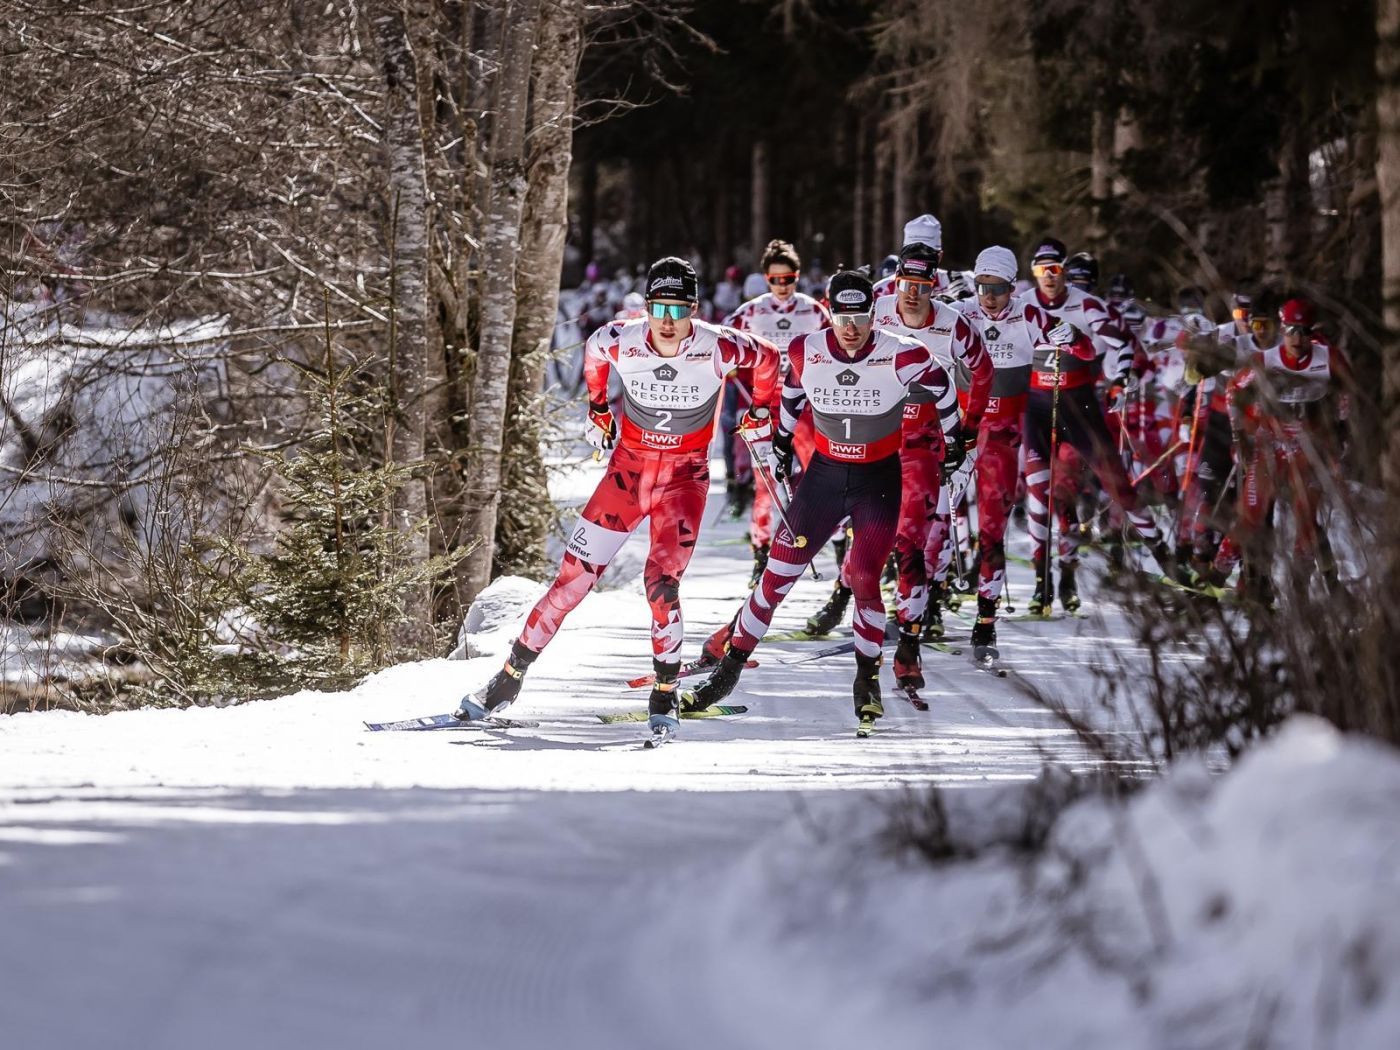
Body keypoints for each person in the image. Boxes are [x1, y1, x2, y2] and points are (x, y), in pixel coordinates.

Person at [456, 256, 780, 735]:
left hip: (682, 482)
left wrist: (763, 411)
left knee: (661, 586)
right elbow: (593, 352)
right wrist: (598, 408)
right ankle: (508, 677)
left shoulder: (717, 345)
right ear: (646, 307)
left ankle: (665, 693)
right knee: (571, 581)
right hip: (627, 477)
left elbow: (769, 357)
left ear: (694, 309)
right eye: (659, 308)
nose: (668, 321)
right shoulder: (620, 339)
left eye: (678, 310)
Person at [682, 270, 961, 735]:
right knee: (775, 577)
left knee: (866, 577)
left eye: (861, 317)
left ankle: (866, 682)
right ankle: (725, 674)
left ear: (874, 315)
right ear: (828, 313)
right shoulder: (805, 349)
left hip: (877, 481)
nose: (851, 328)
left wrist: (956, 440)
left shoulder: (904, 352)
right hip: (824, 480)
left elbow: (945, 388)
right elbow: (793, 391)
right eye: (842, 317)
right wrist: (783, 439)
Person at [1017, 237, 1175, 612]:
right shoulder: (1022, 304)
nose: (1049, 276)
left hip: (1081, 404)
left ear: (1065, 270)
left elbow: (1123, 346)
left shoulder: (1088, 304)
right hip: (1038, 406)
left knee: (1116, 484)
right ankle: (1045, 581)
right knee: (1043, 492)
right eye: (1042, 269)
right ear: (1034, 272)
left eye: (1056, 268)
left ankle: (1165, 556)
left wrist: (1119, 380)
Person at [873, 240, 992, 689]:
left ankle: (909, 645)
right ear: (896, 282)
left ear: (933, 287)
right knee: (864, 542)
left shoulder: (952, 323)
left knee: (911, 545)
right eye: (906, 284)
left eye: (922, 287)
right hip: (875, 437)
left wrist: (967, 428)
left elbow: (983, 372)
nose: (912, 295)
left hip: (924, 443)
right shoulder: (876, 311)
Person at [953, 246, 1066, 662]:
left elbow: (1086, 349)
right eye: (983, 286)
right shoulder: (961, 313)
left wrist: (1070, 339)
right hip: (959, 428)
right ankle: (925, 605)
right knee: (935, 518)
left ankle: (985, 622)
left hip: (1002, 434)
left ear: (1012, 287)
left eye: (998, 288)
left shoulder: (1029, 315)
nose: (989, 296)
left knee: (992, 530)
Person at [1210, 296, 1350, 603]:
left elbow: (1346, 390)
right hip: (1270, 445)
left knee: (1306, 521)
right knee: (1250, 516)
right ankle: (1216, 577)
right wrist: (1239, 435)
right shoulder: (1266, 359)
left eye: (1304, 331)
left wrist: (1341, 428)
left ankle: (1300, 587)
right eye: (1290, 331)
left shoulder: (1328, 356)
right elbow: (1234, 390)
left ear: (1312, 331)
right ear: (1282, 329)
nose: (1297, 339)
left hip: (1309, 448)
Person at [722, 240, 832, 584]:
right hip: (765, 406)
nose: (782, 287)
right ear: (766, 278)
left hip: (804, 406)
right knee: (764, 484)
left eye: (789, 279)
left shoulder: (814, 310)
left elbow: (837, 345)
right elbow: (723, 338)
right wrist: (730, 363)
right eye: (775, 280)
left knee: (819, 477)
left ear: (797, 277)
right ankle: (761, 553)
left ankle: (825, 543)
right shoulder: (752, 311)